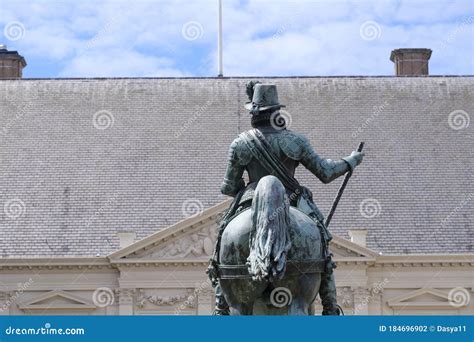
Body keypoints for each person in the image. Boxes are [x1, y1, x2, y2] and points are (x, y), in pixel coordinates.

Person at [211, 82, 364, 315]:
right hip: (292, 199)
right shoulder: (295, 141)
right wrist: (351, 160)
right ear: (277, 113)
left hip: (250, 199)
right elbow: (325, 172)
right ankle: (330, 305)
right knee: (321, 238)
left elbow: (228, 187)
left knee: (224, 234)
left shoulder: (240, 144)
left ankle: (221, 304)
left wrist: (245, 188)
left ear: (254, 114)